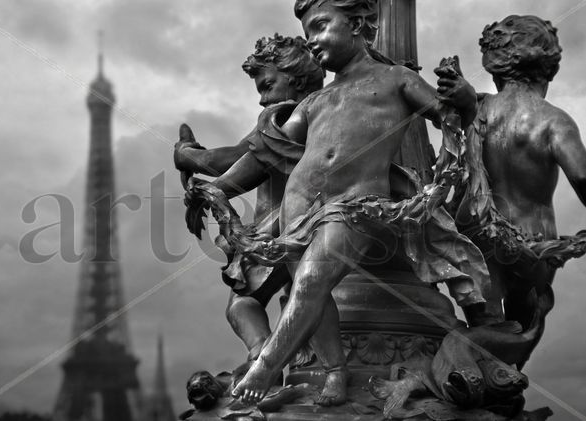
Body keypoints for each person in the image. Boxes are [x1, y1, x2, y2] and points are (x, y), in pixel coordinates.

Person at [226, 0, 486, 405]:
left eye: (320, 26)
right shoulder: (315, 101)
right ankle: (335, 369)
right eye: (308, 31)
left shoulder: (396, 79)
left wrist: (466, 101)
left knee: (311, 281)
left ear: (359, 24)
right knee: (309, 289)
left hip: (357, 206)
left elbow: (446, 113)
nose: (311, 40)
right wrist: (220, 188)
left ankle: (267, 365)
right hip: (298, 211)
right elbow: (264, 154)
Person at [175, 34, 324, 366]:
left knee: (241, 304)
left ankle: (262, 357)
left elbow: (227, 160)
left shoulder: (284, 118)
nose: (262, 100)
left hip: (280, 232)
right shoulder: (324, 116)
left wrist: (187, 155)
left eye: (267, 85)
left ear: (295, 76)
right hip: (309, 225)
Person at [455, 15, 586, 367]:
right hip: (534, 245)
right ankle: (505, 390)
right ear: (549, 68)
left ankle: (484, 379)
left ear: (495, 68)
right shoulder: (553, 120)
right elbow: (583, 178)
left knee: (489, 325)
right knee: (526, 323)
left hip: (480, 239)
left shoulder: (478, 111)